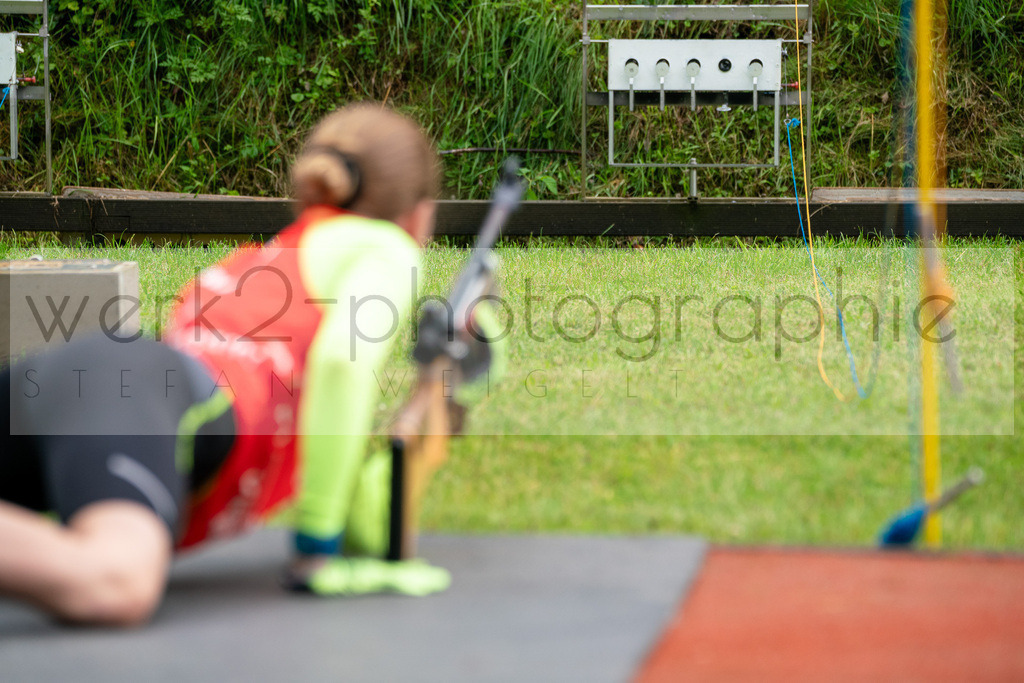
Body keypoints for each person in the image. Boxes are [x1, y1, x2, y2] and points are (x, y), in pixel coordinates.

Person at [0, 103, 485, 626]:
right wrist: (315, 547)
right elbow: (343, 365)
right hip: (132, 385)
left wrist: (441, 397)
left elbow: (369, 526)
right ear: (420, 213)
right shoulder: (388, 247)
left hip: (91, 375)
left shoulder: (284, 254)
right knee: (113, 579)